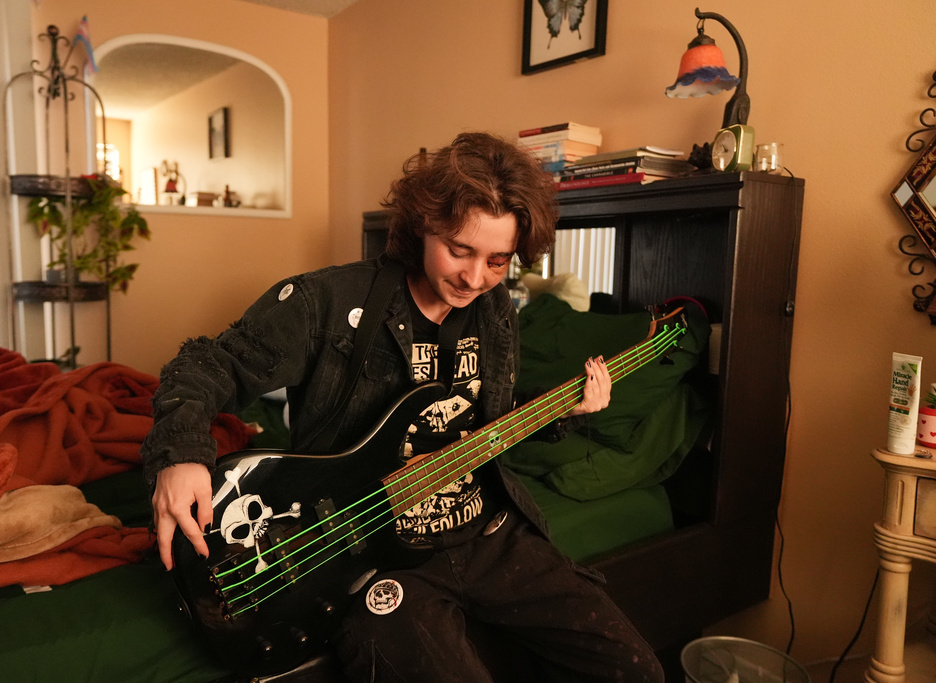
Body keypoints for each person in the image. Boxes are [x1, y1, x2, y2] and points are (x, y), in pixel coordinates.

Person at [140, 131, 664, 683]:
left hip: (486, 533)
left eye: (497, 261)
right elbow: (206, 365)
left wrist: (560, 411)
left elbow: (482, 425)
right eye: (459, 250)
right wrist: (180, 454)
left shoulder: (496, 313)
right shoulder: (327, 301)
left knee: (637, 672)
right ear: (421, 225)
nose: (474, 277)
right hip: (374, 556)